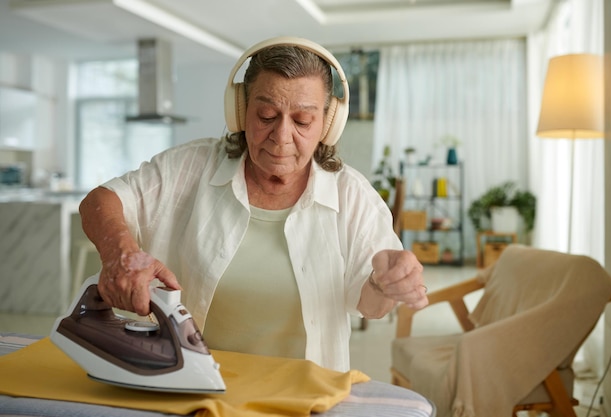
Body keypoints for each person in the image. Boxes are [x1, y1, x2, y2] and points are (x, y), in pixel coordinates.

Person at [79, 36, 428, 372]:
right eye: (265, 115)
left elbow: (371, 306)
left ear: (328, 124)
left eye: (303, 121)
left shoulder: (352, 196)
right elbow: (101, 201)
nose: (281, 136)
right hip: (194, 381)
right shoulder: (190, 166)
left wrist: (385, 284)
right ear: (241, 111)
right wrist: (120, 253)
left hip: (302, 395)